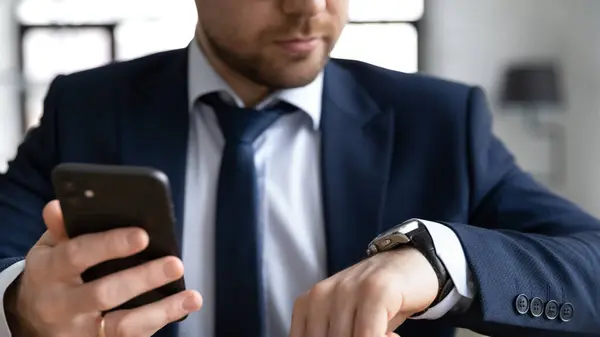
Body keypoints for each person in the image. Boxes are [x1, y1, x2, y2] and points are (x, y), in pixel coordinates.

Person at [0, 0, 599, 336]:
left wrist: (445, 261)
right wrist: (19, 306)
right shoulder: (82, 108)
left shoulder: (441, 120)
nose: (309, 8)